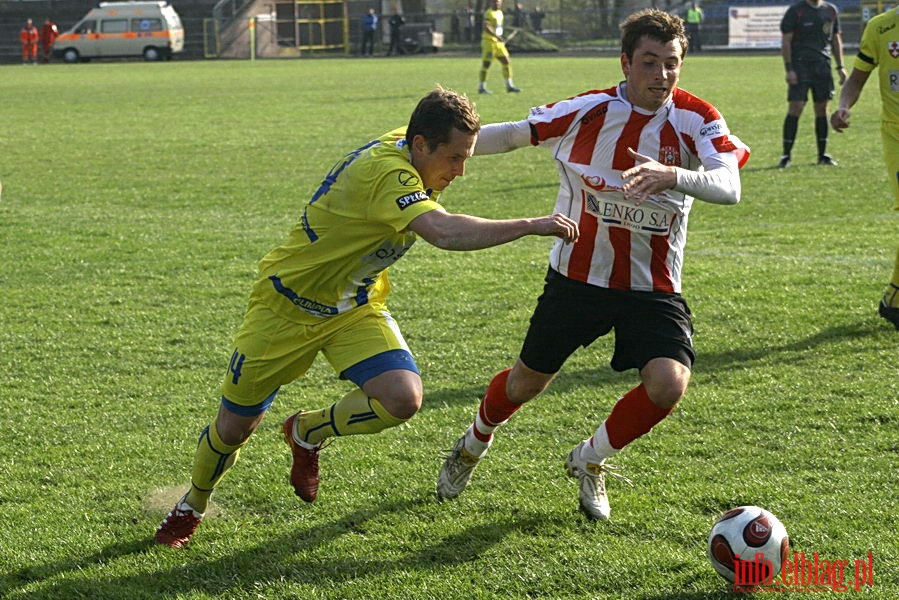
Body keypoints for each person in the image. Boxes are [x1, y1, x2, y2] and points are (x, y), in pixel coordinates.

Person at [154, 87, 579, 548]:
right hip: (286, 307)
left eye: (467, 157)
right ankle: (192, 503)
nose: (461, 171)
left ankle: (306, 431)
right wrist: (531, 224)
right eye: (455, 158)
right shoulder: (386, 175)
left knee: (402, 398)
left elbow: (489, 138)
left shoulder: (412, 142)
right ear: (421, 145)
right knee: (233, 429)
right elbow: (443, 231)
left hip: (354, 306)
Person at [437, 9, 750, 521]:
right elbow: (515, 133)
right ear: (625, 63)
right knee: (525, 384)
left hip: (652, 285)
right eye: (649, 62)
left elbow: (730, 185)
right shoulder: (588, 111)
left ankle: (588, 461)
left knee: (669, 383)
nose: (662, 75)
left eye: (672, 64)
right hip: (577, 278)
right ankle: (474, 441)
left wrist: (672, 173)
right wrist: (434, 149)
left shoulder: (697, 119)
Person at [830, 6, 899, 329]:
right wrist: (843, 106)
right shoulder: (881, 28)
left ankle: (894, 298)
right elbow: (857, 78)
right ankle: (896, 298)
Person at [778, 0, 847, 168]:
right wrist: (789, 69)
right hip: (801, 66)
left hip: (823, 66)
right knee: (796, 107)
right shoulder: (796, 11)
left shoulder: (830, 10)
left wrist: (840, 67)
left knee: (822, 109)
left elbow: (836, 39)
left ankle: (822, 155)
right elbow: (786, 41)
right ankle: (786, 155)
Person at [479, 0, 521, 94]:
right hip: (489, 42)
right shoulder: (489, 13)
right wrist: (496, 36)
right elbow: (486, 26)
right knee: (486, 64)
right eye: (494, 2)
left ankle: (509, 85)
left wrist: (499, 36)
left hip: (499, 43)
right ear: (491, 3)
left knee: (506, 61)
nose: (496, 3)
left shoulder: (500, 13)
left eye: (498, 2)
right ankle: (482, 87)